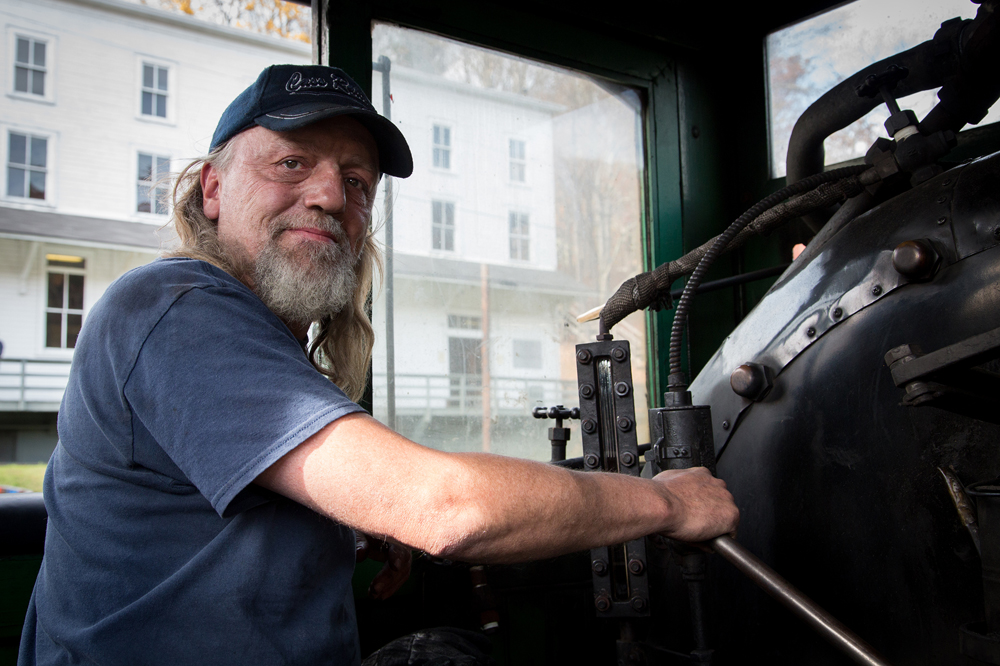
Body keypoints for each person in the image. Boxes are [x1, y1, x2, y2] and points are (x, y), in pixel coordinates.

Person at [19, 65, 738, 666]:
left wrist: (354, 521)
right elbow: (446, 508)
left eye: (356, 181)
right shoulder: (175, 310)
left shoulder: (257, 335)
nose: (332, 195)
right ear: (212, 190)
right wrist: (667, 501)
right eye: (293, 163)